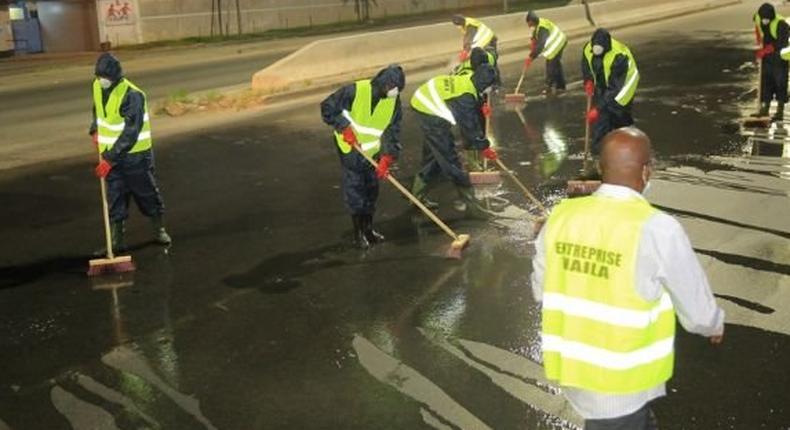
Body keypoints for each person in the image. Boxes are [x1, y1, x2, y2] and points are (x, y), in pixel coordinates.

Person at [531, 127, 725, 430]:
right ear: (646, 171)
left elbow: (541, 288)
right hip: (620, 383)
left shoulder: (561, 217)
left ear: (600, 167)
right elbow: (695, 304)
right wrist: (712, 324)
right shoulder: (657, 228)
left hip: (574, 369)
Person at [90, 53, 171, 253]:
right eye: (99, 76)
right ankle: (116, 241)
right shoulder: (97, 87)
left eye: (105, 77)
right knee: (115, 197)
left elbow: (131, 131)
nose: (102, 81)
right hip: (111, 155)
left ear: (116, 76)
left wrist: (109, 159)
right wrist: (94, 129)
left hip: (135, 157)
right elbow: (97, 110)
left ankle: (159, 229)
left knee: (146, 194)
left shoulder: (133, 95)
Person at [320, 65, 405, 249]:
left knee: (372, 189)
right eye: (393, 88)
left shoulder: (394, 101)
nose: (395, 93)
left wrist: (387, 157)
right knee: (356, 188)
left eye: (398, 90)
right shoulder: (355, 91)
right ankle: (358, 233)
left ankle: (368, 229)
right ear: (383, 84)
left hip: (372, 151)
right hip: (351, 148)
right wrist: (343, 127)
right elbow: (327, 107)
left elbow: (393, 130)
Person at [409, 63, 498, 218]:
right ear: (484, 84)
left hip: (426, 100)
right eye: (489, 87)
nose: (489, 91)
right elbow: (469, 127)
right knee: (450, 159)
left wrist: (480, 105)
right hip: (428, 109)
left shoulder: (469, 80)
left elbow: (470, 110)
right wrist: (483, 145)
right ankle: (472, 206)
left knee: (435, 157)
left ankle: (416, 198)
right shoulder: (464, 97)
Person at [581, 29, 639, 155]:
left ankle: (631, 147)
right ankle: (601, 155)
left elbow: (614, 89)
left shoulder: (619, 56)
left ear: (606, 47)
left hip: (623, 86)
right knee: (603, 121)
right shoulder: (588, 48)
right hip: (605, 85)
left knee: (618, 116)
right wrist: (588, 80)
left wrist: (598, 109)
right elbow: (586, 64)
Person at [752, 3, 789, 120]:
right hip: (767, 57)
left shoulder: (781, 24)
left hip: (780, 56)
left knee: (780, 82)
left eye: (767, 19)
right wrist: (759, 40)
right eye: (763, 18)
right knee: (766, 81)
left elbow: (781, 43)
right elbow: (757, 23)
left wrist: (766, 50)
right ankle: (764, 109)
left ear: (771, 17)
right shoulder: (759, 18)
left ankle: (780, 111)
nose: (764, 21)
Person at [525, 10, 568, 96]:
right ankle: (561, 86)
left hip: (558, 43)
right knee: (556, 64)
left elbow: (541, 44)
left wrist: (532, 56)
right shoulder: (538, 25)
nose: (529, 26)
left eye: (529, 23)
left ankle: (549, 86)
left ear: (532, 21)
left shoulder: (542, 28)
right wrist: (533, 44)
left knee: (551, 65)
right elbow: (535, 39)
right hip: (560, 41)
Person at [452, 14, 501, 86]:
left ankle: (496, 82)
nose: (457, 27)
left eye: (457, 25)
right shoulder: (466, 24)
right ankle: (493, 81)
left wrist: (465, 51)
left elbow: (469, 39)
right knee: (486, 62)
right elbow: (466, 39)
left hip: (489, 41)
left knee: (490, 61)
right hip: (485, 41)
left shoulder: (470, 25)